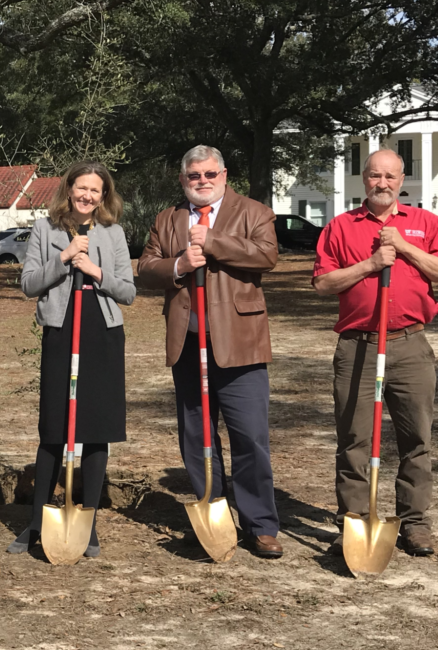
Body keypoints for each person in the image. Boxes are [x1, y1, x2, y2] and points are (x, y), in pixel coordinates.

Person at [138, 144, 284, 558]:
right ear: (182, 180)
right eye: (193, 176)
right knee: (197, 437)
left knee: (249, 437)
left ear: (224, 176)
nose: (201, 182)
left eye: (209, 175)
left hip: (240, 343)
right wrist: (180, 264)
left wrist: (214, 241)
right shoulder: (168, 220)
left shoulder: (254, 212)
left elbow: (267, 255)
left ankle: (261, 524)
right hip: (188, 342)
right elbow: (146, 269)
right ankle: (214, 517)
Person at [313, 148, 438, 557]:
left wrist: (405, 249)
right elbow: (323, 284)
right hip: (357, 346)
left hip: (410, 345)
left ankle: (414, 523)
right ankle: (355, 523)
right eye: (375, 176)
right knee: (354, 439)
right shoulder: (340, 227)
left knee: (416, 438)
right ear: (364, 178)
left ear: (402, 179)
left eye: (390, 176)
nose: (383, 183)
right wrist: (372, 263)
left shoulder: (425, 223)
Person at [7, 161, 136, 558]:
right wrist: (63, 258)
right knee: (55, 428)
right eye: (82, 188)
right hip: (62, 332)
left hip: (102, 333)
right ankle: (37, 523)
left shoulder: (113, 233)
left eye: (95, 190)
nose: (87, 196)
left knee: (96, 429)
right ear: (69, 189)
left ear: (104, 195)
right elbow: (28, 284)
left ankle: (88, 522)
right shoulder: (45, 230)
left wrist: (96, 270)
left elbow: (128, 292)